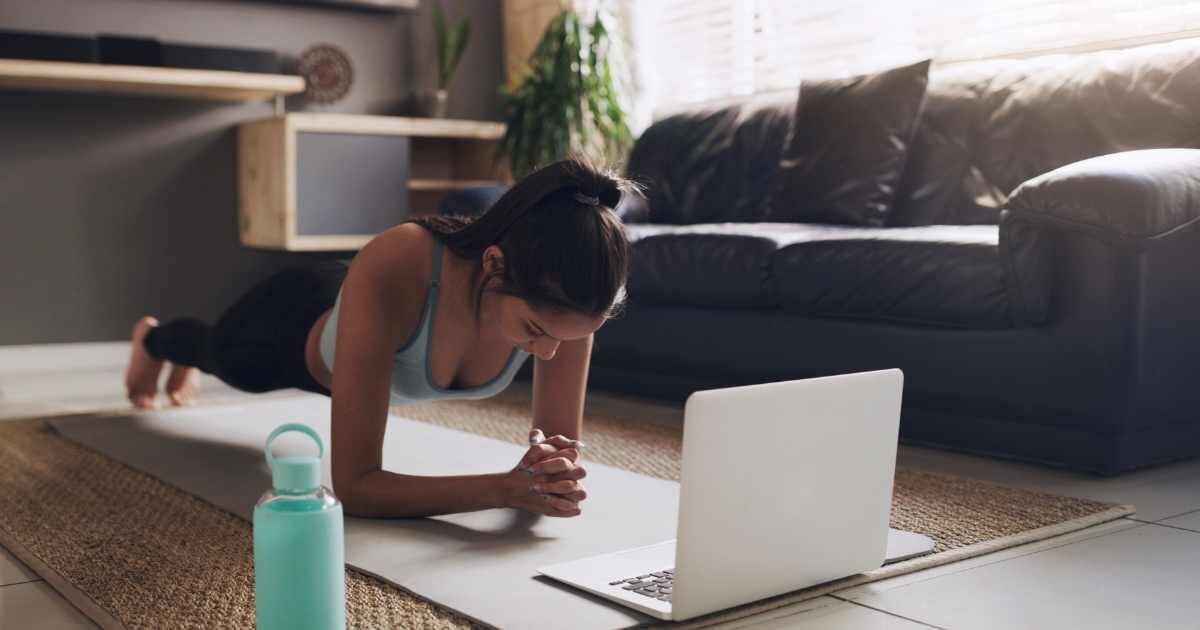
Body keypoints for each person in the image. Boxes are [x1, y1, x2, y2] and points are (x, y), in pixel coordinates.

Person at [124, 158, 635, 520]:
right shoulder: (404, 258)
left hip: (368, 308)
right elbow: (356, 485)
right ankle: (152, 341)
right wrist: (504, 490)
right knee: (220, 355)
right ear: (494, 266)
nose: (549, 352)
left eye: (567, 339)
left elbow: (556, 449)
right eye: (536, 332)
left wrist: (549, 476)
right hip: (291, 324)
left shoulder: (571, 302)